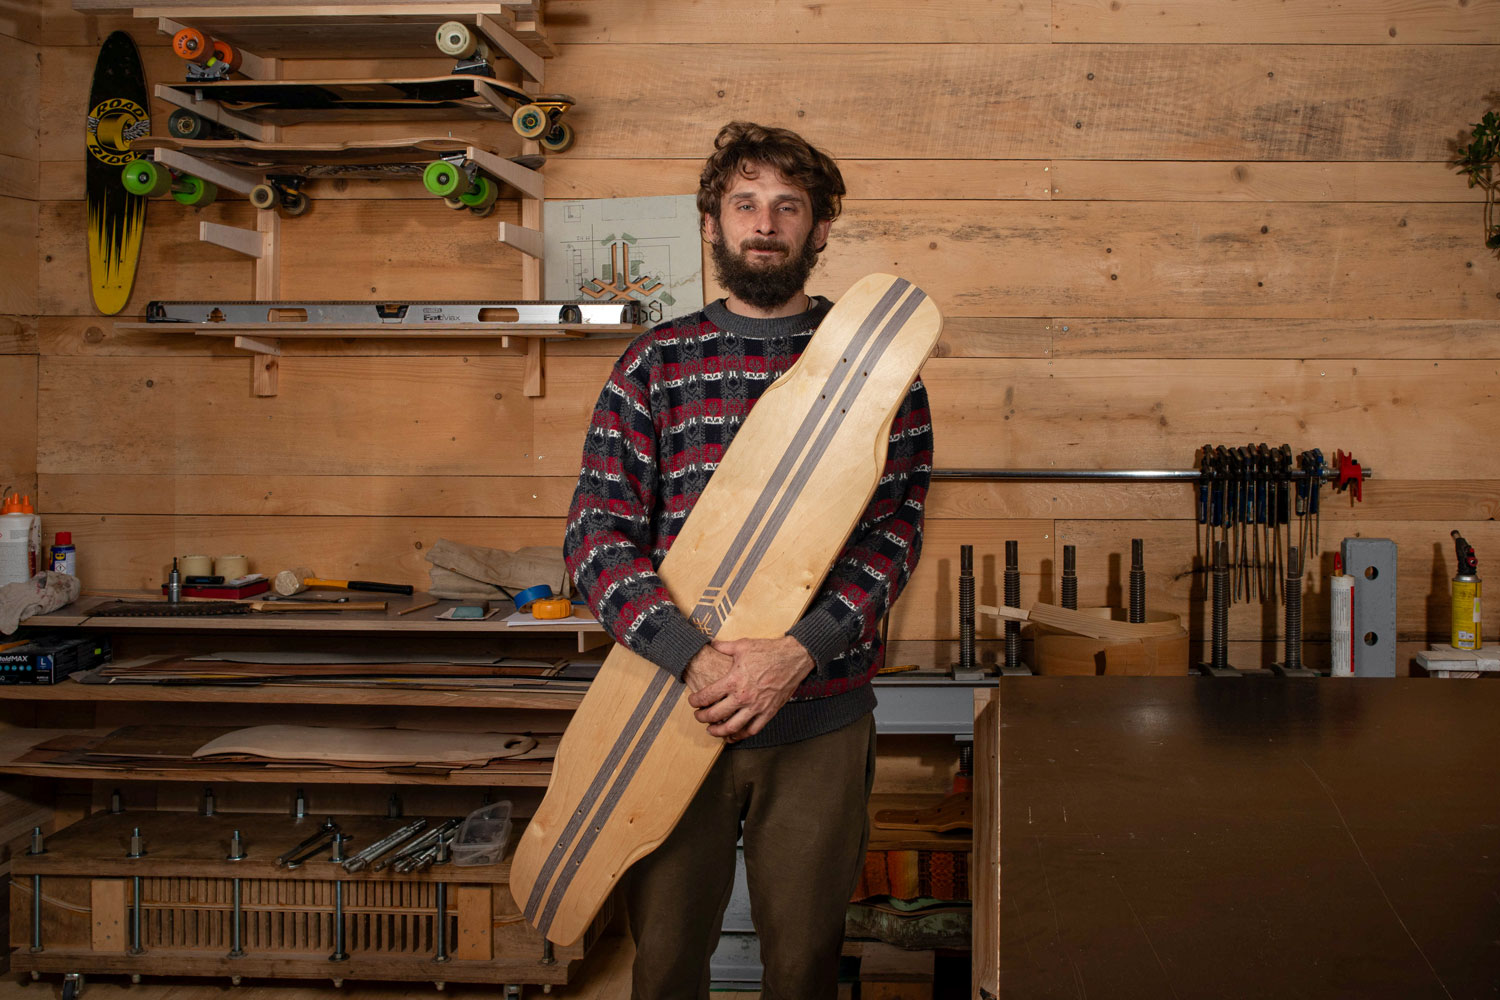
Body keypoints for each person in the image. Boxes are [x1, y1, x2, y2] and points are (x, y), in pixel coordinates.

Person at [562, 121, 934, 1000]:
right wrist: (694, 658)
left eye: (787, 207)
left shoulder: (885, 373)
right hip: (665, 713)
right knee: (665, 962)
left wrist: (796, 651)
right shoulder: (656, 363)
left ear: (820, 228)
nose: (764, 223)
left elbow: (893, 536)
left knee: (804, 965)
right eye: (745, 204)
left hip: (821, 713)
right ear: (713, 224)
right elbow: (596, 536)